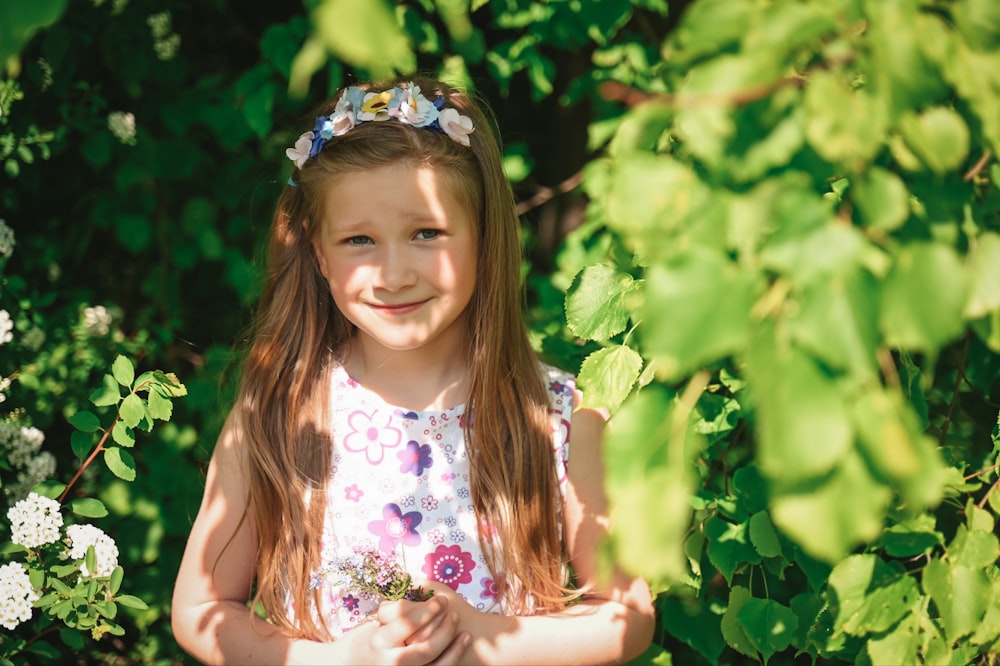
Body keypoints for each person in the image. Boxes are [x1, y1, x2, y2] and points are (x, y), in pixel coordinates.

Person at [171, 75, 654, 665]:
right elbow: (200, 610)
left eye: (426, 232)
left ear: (483, 236)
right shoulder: (280, 409)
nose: (394, 274)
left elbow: (627, 614)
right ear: (319, 254)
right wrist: (334, 661)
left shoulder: (558, 414)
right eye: (358, 240)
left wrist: (487, 642)